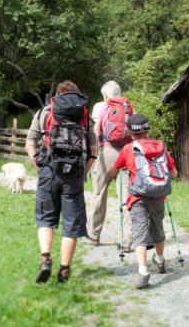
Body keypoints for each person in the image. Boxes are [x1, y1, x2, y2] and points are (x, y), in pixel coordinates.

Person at [26, 81, 98, 284]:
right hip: (74, 174)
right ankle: (64, 270)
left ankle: (46, 257)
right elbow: (94, 146)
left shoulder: (45, 111)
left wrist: (37, 165)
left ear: (57, 95)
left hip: (48, 171)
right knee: (71, 225)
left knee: (45, 219)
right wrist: (85, 171)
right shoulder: (84, 115)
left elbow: (30, 141)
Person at [107, 114, 177, 290]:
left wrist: (111, 174)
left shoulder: (128, 149)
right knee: (158, 228)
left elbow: (113, 170)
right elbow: (174, 173)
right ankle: (160, 260)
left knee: (140, 232)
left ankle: (144, 271)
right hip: (158, 196)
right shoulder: (160, 147)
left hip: (137, 197)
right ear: (148, 131)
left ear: (130, 134)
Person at [87, 81, 133, 248]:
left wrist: (94, 153)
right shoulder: (127, 106)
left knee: (99, 193)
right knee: (126, 196)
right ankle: (127, 241)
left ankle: (93, 235)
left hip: (106, 152)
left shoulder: (100, 106)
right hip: (126, 153)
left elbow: (96, 129)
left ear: (105, 95)